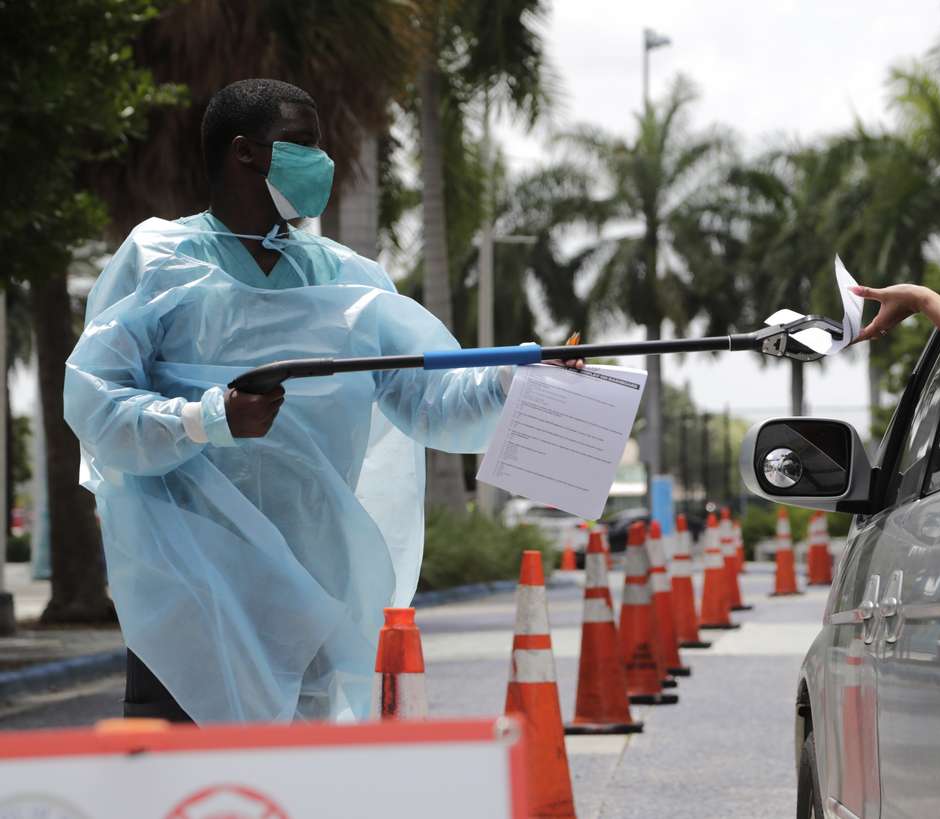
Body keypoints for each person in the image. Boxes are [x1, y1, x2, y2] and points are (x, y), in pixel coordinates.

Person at [64, 79, 579, 724]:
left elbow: (429, 401)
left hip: (313, 587)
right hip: (191, 578)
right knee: (192, 785)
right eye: (303, 144)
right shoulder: (160, 260)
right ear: (246, 153)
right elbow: (97, 407)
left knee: (302, 782)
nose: (324, 164)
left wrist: (513, 375)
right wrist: (210, 417)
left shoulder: (350, 280)